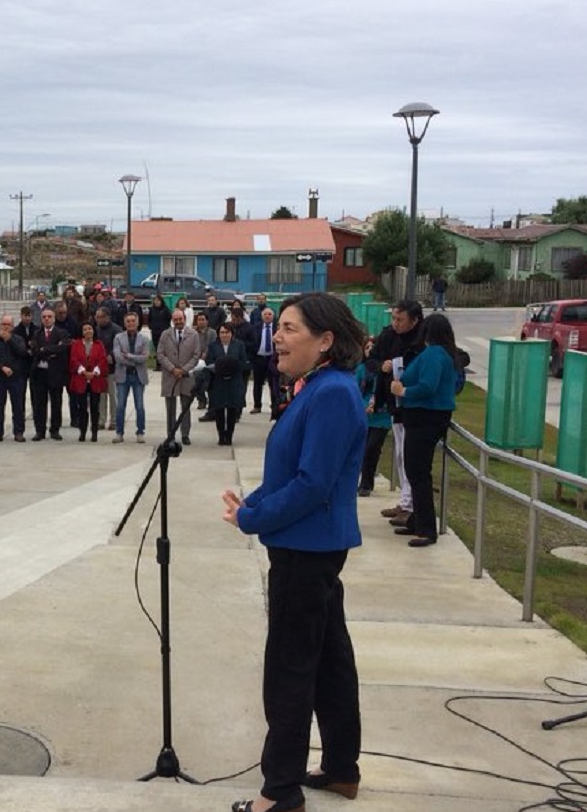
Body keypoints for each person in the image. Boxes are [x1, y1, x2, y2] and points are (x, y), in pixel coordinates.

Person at [222, 292, 366, 812]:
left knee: (289, 669)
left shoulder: (330, 393)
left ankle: (278, 792)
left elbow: (312, 486)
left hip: (307, 552)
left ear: (325, 341)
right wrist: (252, 503)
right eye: (277, 327)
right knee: (329, 661)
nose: (276, 337)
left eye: (289, 329)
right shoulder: (318, 388)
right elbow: (291, 473)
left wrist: (252, 519)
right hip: (313, 548)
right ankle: (340, 768)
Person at [389, 313, 458, 547]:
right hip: (424, 416)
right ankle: (417, 520)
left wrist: (403, 391)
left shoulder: (434, 354)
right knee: (415, 470)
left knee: (418, 472)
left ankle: (427, 529)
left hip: (426, 416)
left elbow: (428, 386)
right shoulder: (441, 354)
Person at [366, 300, 423, 527]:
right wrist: (382, 366)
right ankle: (405, 501)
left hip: (413, 404)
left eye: (400, 320)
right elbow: (370, 360)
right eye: (394, 319)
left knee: (409, 455)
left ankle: (411, 505)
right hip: (392, 401)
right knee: (400, 453)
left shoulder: (422, 339)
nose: (396, 324)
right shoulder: (388, 335)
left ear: (415, 320)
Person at [156, 309, 200, 445]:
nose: (178, 322)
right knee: (170, 408)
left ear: (185, 319)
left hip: (186, 376)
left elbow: (196, 355)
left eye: (180, 319)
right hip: (170, 376)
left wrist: (184, 370)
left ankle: (185, 434)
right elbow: (160, 354)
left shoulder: (193, 334)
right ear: (172, 321)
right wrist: (172, 369)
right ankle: (171, 434)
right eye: (176, 320)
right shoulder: (165, 334)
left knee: (185, 408)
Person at [355, 337, 392, 497]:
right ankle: (361, 479)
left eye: (373, 347)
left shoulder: (385, 371)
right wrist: (364, 406)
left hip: (381, 416)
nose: (370, 350)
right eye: (367, 347)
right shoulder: (361, 369)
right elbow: (355, 391)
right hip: (364, 416)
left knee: (372, 448)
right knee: (362, 449)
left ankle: (366, 483)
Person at [0, 314, 30, 442]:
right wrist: (2, 367)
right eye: (3, 324)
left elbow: (22, 352)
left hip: (16, 378)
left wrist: (9, 340)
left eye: (8, 325)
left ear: (12, 327)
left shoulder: (18, 339)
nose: (5, 327)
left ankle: (19, 432)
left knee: (18, 407)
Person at [28, 308, 71, 441]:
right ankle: (40, 431)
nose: (47, 319)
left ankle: (55, 430)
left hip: (55, 373)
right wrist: (50, 351)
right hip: (39, 373)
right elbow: (34, 350)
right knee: (39, 404)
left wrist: (44, 349)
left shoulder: (61, 333)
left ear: (54, 318)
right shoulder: (36, 333)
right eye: (44, 317)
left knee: (56, 402)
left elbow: (62, 348)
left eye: (49, 317)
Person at [206, 323, 248, 446]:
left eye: (227, 332)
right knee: (219, 409)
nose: (224, 335)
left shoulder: (239, 345)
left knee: (231, 409)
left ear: (231, 333)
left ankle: (229, 435)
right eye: (222, 333)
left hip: (233, 381)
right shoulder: (213, 346)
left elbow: (243, 362)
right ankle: (221, 435)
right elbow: (209, 362)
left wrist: (232, 367)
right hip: (218, 381)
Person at [111, 312, 149, 443]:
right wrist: (134, 359)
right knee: (120, 405)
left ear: (138, 322)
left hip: (138, 376)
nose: (131, 323)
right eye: (128, 321)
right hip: (123, 375)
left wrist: (129, 356)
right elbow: (118, 357)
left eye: (133, 321)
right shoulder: (118, 338)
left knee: (139, 405)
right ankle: (119, 432)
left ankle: (140, 432)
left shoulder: (144, 339)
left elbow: (144, 358)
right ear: (124, 323)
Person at [67, 321, 108, 442]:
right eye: (85, 329)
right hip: (81, 379)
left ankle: (94, 432)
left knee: (95, 407)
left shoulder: (99, 344)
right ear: (82, 332)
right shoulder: (77, 344)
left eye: (89, 328)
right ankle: (82, 432)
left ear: (93, 330)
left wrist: (94, 372)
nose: (87, 331)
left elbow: (103, 360)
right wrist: (84, 372)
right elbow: (73, 360)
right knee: (82, 408)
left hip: (95, 380)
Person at [93, 306, 122, 430]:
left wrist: (111, 356)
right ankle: (101, 420)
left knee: (113, 395)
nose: (98, 320)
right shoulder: (96, 330)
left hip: (113, 368)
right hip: (99, 368)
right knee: (101, 396)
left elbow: (119, 347)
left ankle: (114, 421)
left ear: (107, 317)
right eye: (97, 317)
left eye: (100, 317)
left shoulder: (116, 330)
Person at [249, 307, 278, 415]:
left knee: (273, 383)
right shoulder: (255, 328)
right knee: (257, 383)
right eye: (265, 314)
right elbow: (252, 343)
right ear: (262, 316)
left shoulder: (277, 329)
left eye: (269, 314)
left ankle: (274, 405)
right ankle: (257, 405)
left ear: (273, 316)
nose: (267, 316)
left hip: (272, 358)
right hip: (259, 358)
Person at [147, 294, 172, 365]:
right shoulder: (152, 310)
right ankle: (158, 364)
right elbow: (149, 320)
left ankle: (164, 364)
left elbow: (169, 319)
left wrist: (165, 328)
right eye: (155, 300)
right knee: (156, 348)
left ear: (161, 301)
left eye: (158, 300)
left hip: (163, 332)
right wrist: (151, 326)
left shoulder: (165, 309)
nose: (156, 302)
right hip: (155, 332)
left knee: (163, 349)